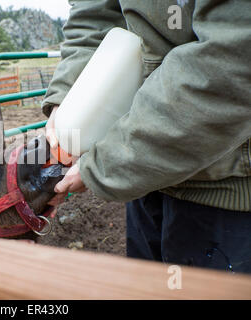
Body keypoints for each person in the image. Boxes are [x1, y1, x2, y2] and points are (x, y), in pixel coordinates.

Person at [44, 0, 251, 273]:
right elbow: (93, 15)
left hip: (225, 190)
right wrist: (67, 96)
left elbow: (230, 60)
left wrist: (110, 161)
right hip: (144, 175)